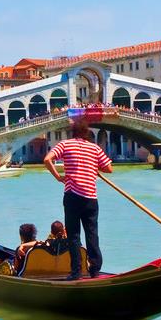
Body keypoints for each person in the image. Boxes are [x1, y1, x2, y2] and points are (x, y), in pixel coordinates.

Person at [43, 117, 113, 280]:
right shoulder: (94, 148)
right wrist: (94, 166)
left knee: (74, 235)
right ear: (86, 133)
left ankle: (76, 272)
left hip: (72, 196)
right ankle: (95, 270)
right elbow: (109, 168)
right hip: (90, 198)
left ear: (72, 132)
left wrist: (58, 177)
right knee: (92, 234)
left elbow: (47, 159)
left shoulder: (65, 145)